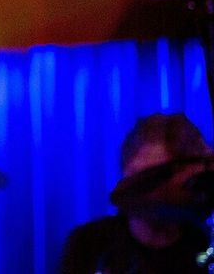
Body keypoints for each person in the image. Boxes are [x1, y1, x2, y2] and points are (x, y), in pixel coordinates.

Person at [60, 112, 214, 274]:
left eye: (157, 177)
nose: (144, 190)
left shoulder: (203, 243)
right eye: (137, 176)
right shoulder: (89, 243)